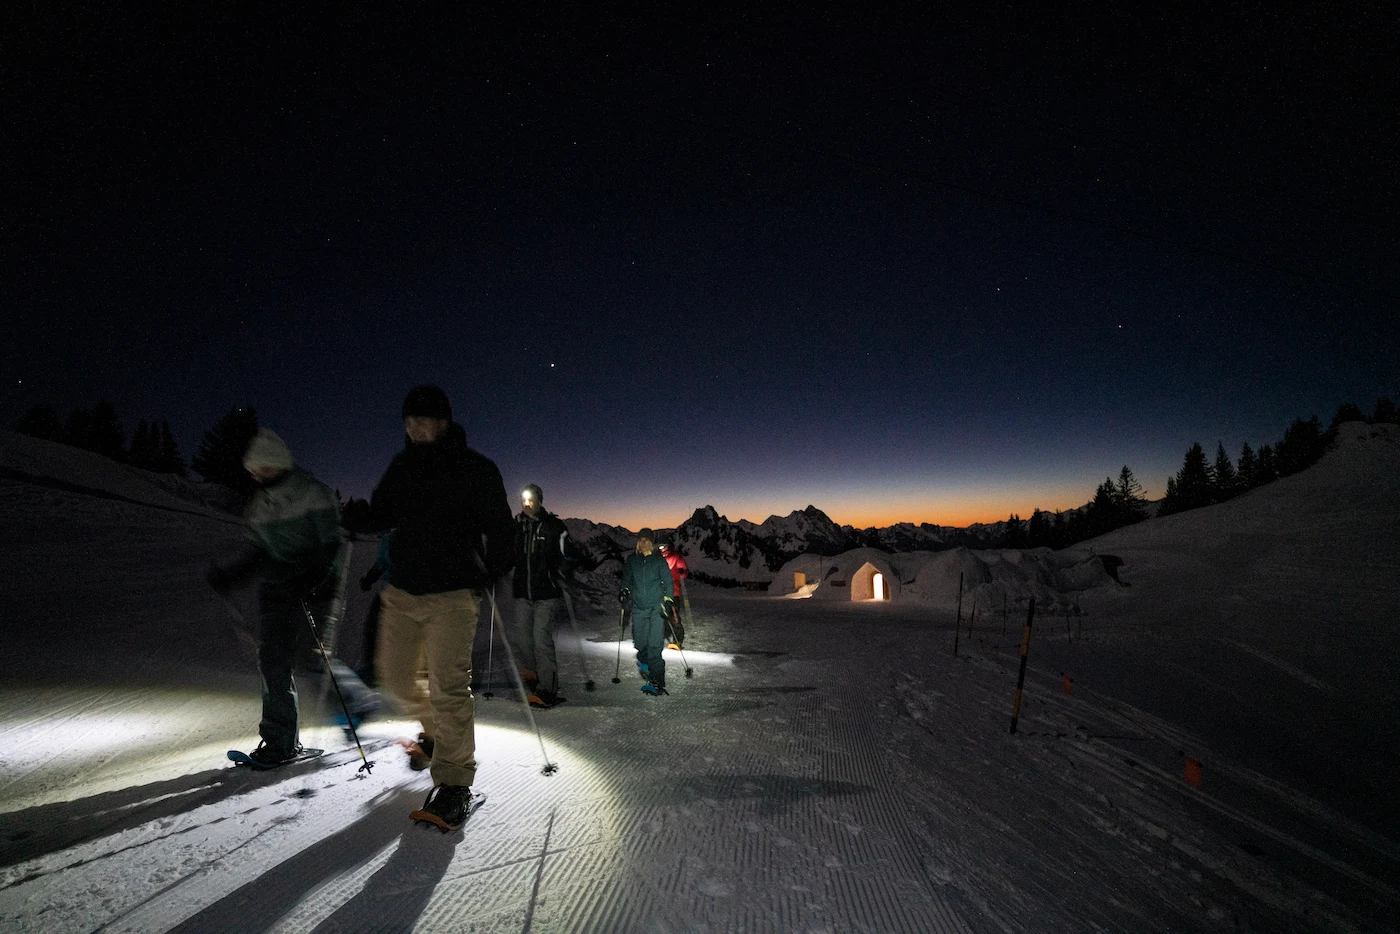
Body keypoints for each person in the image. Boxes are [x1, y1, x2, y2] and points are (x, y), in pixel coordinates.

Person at [368, 385, 514, 831]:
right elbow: (381, 512)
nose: (414, 428)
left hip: (453, 595)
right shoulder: (402, 466)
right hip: (403, 591)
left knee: (449, 687)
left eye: (423, 420)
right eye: (408, 421)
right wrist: (357, 519)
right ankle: (434, 734)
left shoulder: (475, 469)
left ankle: (453, 784)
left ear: (444, 422)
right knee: (393, 679)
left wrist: (493, 567)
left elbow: (501, 527)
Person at [207, 429, 378, 767]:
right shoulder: (258, 504)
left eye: (264, 468)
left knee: (311, 659)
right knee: (272, 661)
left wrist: (313, 577)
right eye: (253, 470)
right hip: (277, 590)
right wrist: (232, 575)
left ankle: (357, 702)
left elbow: (331, 543)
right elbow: (258, 554)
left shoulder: (312, 493)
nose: (257, 475)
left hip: (315, 588)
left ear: (279, 464)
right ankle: (280, 741)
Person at [510, 483, 577, 708]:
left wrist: (561, 571)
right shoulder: (517, 526)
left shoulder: (553, 526)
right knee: (521, 638)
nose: (527, 503)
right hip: (522, 592)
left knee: (541, 639)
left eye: (531, 499)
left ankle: (548, 689)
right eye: (524, 499)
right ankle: (533, 672)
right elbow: (508, 553)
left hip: (546, 593)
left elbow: (568, 554)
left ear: (540, 501)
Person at [620, 528, 675, 696]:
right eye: (641, 540)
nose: (643, 543)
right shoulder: (632, 560)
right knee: (640, 643)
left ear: (651, 542)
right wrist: (625, 590)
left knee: (654, 646)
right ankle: (644, 663)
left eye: (647, 540)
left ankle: (657, 681)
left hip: (656, 609)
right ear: (638, 542)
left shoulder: (658, 561)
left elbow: (668, 581)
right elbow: (627, 579)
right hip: (638, 608)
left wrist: (668, 600)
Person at [659, 540, 689, 649]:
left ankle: (677, 641)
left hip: (673, 591)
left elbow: (684, 570)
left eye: (664, 546)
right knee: (660, 614)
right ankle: (658, 637)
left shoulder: (676, 557)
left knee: (673, 615)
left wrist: (682, 571)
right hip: (659, 591)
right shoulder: (658, 558)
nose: (662, 549)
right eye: (660, 547)